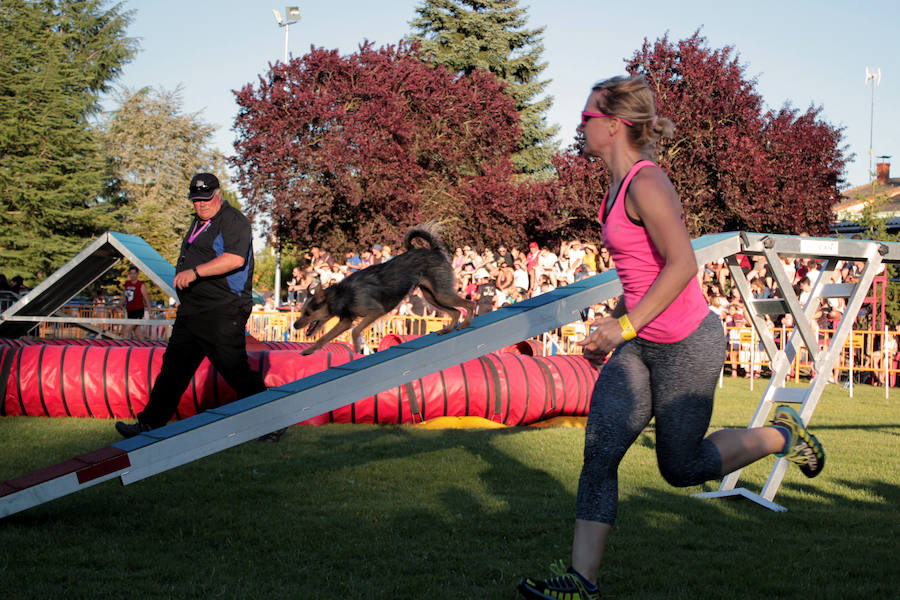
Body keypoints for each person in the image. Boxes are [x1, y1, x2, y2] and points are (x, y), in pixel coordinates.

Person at [517, 75, 825, 600]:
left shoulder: (646, 181)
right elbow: (642, 272)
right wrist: (615, 328)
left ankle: (782, 435)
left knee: (680, 468)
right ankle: (582, 580)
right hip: (638, 346)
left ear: (614, 125)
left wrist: (625, 326)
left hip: (686, 342)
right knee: (600, 451)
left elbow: (682, 264)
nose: (580, 124)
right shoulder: (614, 189)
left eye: (588, 116)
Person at [115, 173, 269, 440]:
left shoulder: (233, 221)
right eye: (196, 200)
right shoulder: (199, 222)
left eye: (206, 199)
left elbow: (233, 259)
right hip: (193, 309)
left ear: (218, 194)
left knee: (234, 369)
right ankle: (149, 425)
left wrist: (195, 273)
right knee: (173, 367)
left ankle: (271, 422)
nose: (201, 204)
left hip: (223, 308)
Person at [121, 266, 151, 340]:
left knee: (126, 331)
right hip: (130, 311)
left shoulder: (140, 284)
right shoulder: (127, 284)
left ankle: (124, 349)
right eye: (131, 273)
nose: (132, 275)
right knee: (138, 333)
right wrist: (118, 305)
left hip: (138, 311)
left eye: (134, 273)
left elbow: (146, 298)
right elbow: (124, 297)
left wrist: (149, 311)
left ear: (137, 274)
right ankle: (145, 348)